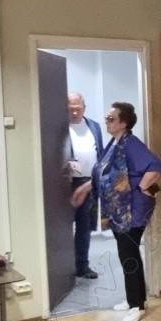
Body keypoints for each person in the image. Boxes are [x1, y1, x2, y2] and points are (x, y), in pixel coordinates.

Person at [71, 102, 161, 321]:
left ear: (124, 123)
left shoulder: (131, 144)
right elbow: (102, 171)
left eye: (111, 119)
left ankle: (136, 306)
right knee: (127, 254)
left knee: (128, 255)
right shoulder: (115, 143)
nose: (107, 122)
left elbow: (156, 166)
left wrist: (142, 187)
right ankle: (136, 300)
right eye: (107, 118)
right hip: (119, 210)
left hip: (132, 210)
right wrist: (85, 188)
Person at [65, 93, 105, 280]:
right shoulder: (60, 127)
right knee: (62, 227)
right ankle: (62, 268)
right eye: (71, 109)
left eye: (78, 108)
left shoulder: (94, 126)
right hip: (66, 184)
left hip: (89, 183)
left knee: (85, 226)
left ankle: (82, 265)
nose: (74, 112)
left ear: (84, 108)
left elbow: (101, 154)